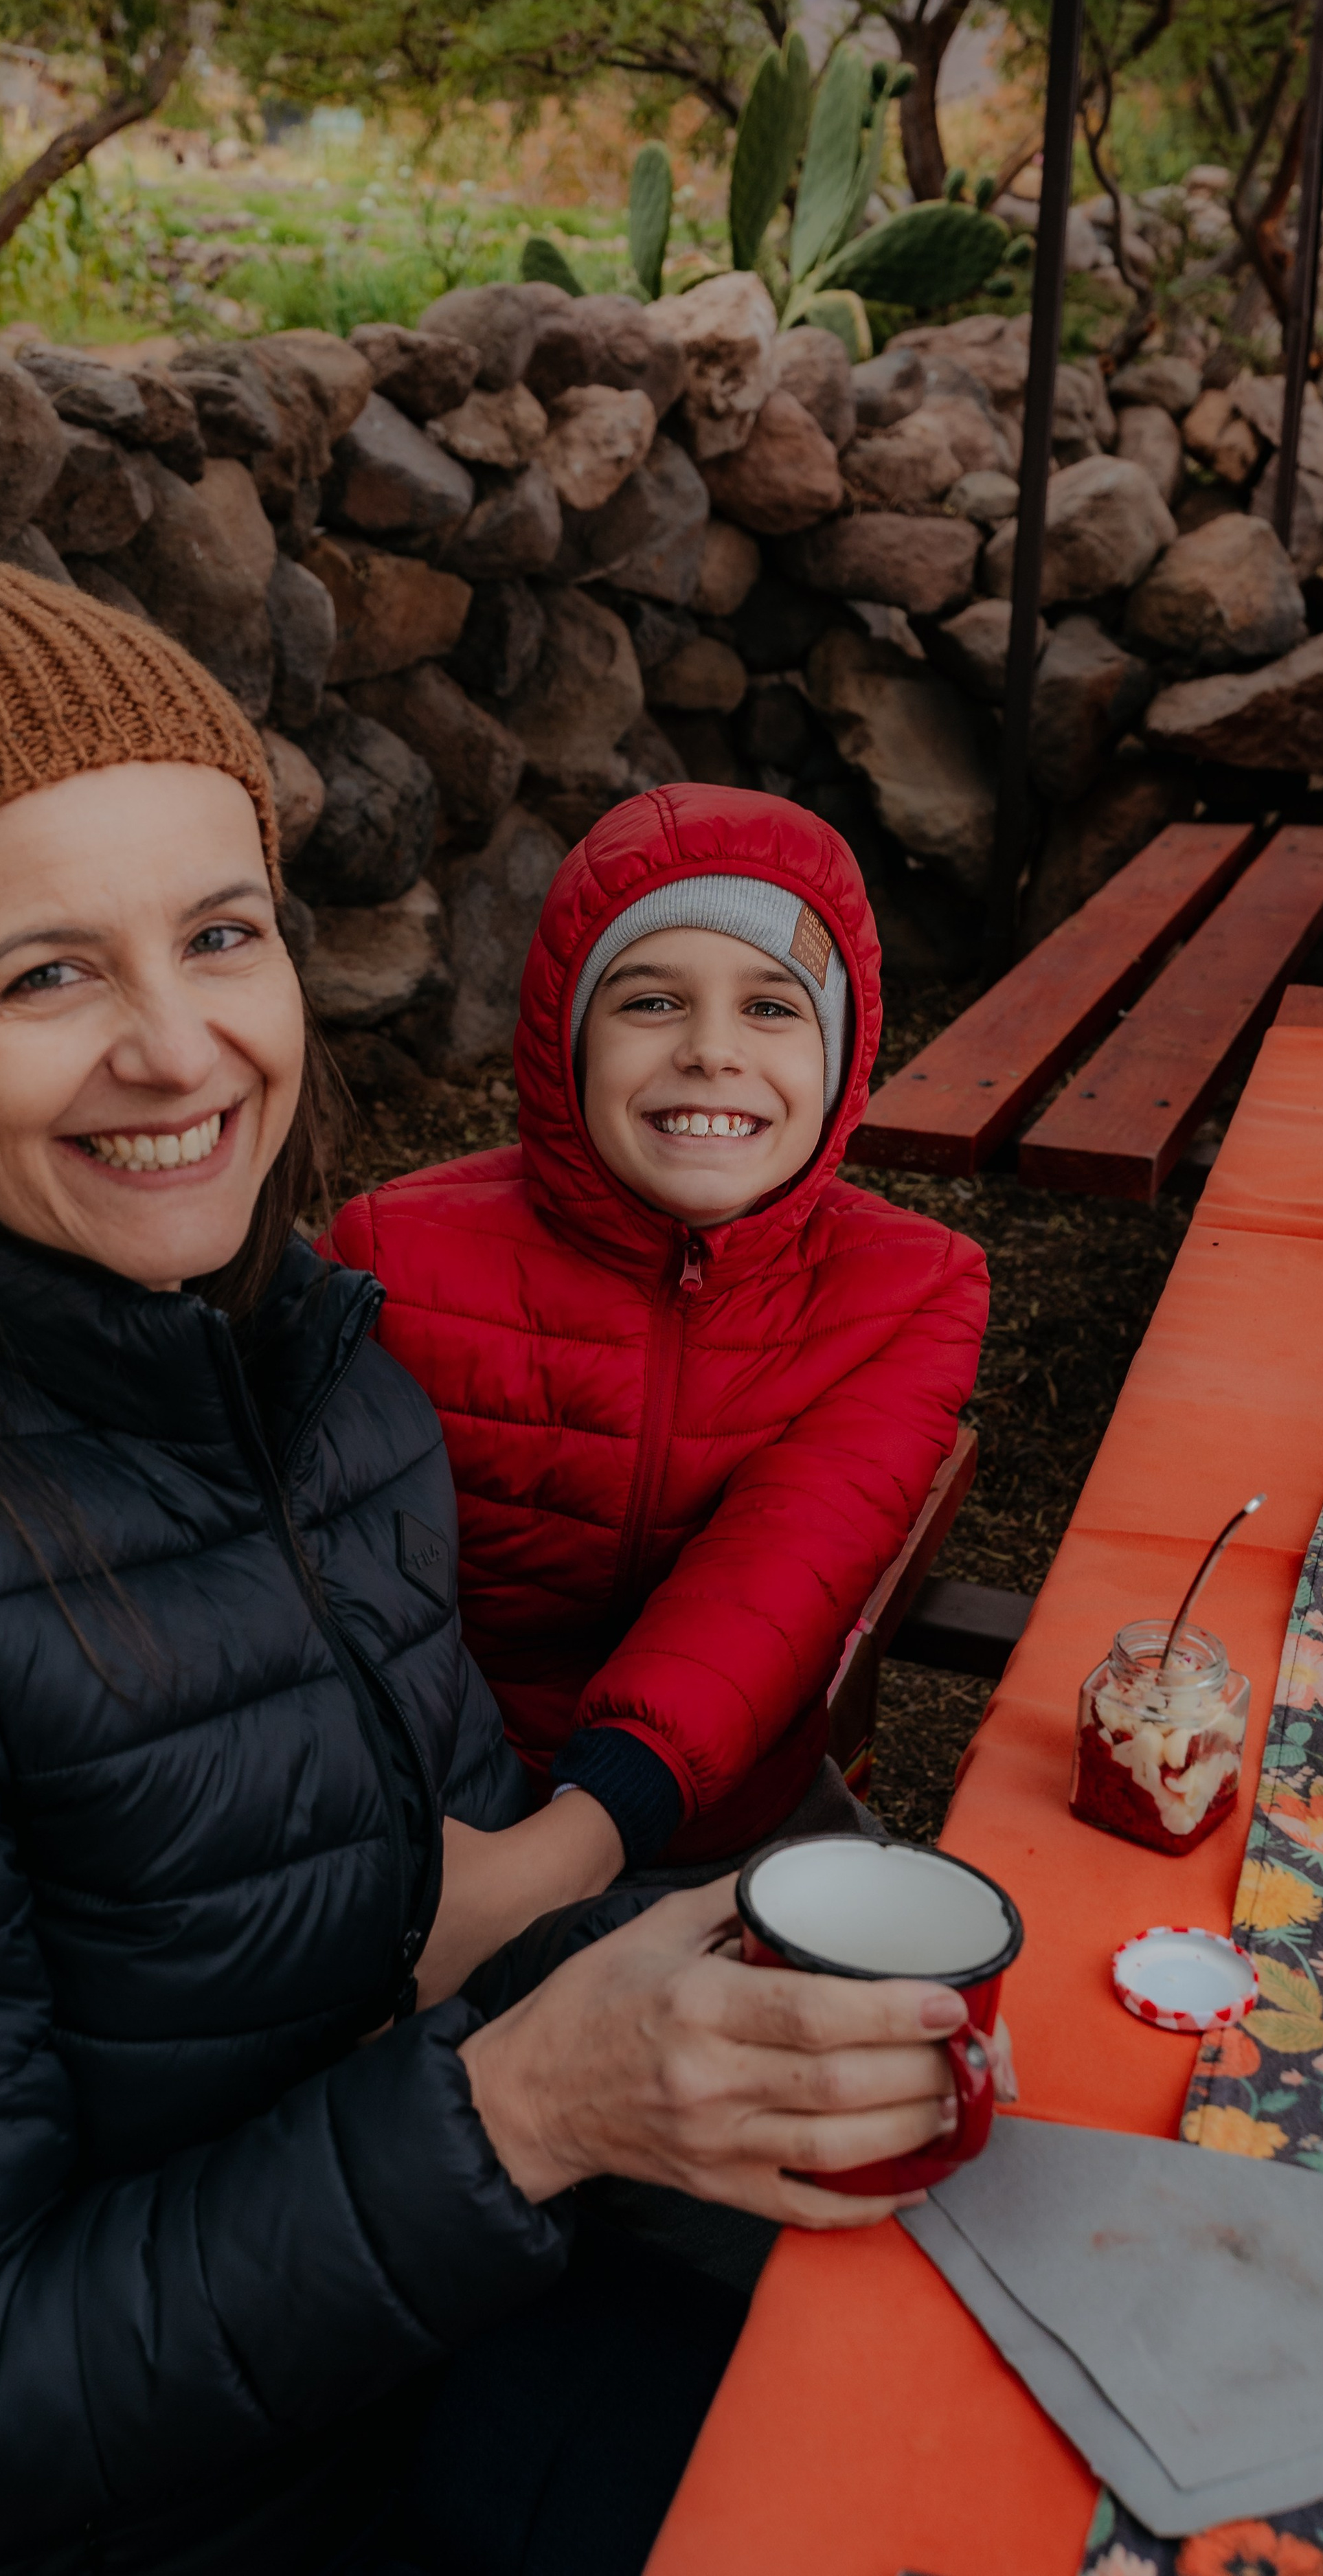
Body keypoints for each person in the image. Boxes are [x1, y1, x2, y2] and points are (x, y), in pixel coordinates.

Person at [0, 567, 980, 2576]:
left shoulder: (322, 1385)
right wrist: (532, 2106)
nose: (180, 1052)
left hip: (383, 2351)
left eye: (220, 935)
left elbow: (400, 1929)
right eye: (47, 976)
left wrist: (752, 2011)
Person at [324, 784, 990, 1967]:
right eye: (651, 999)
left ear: (842, 1060)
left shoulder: (912, 1288)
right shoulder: (391, 1255)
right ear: (565, 1037)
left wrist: (569, 1850)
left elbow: (779, 1572)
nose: (713, 1049)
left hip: (729, 1822)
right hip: (427, 1815)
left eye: (774, 1006)